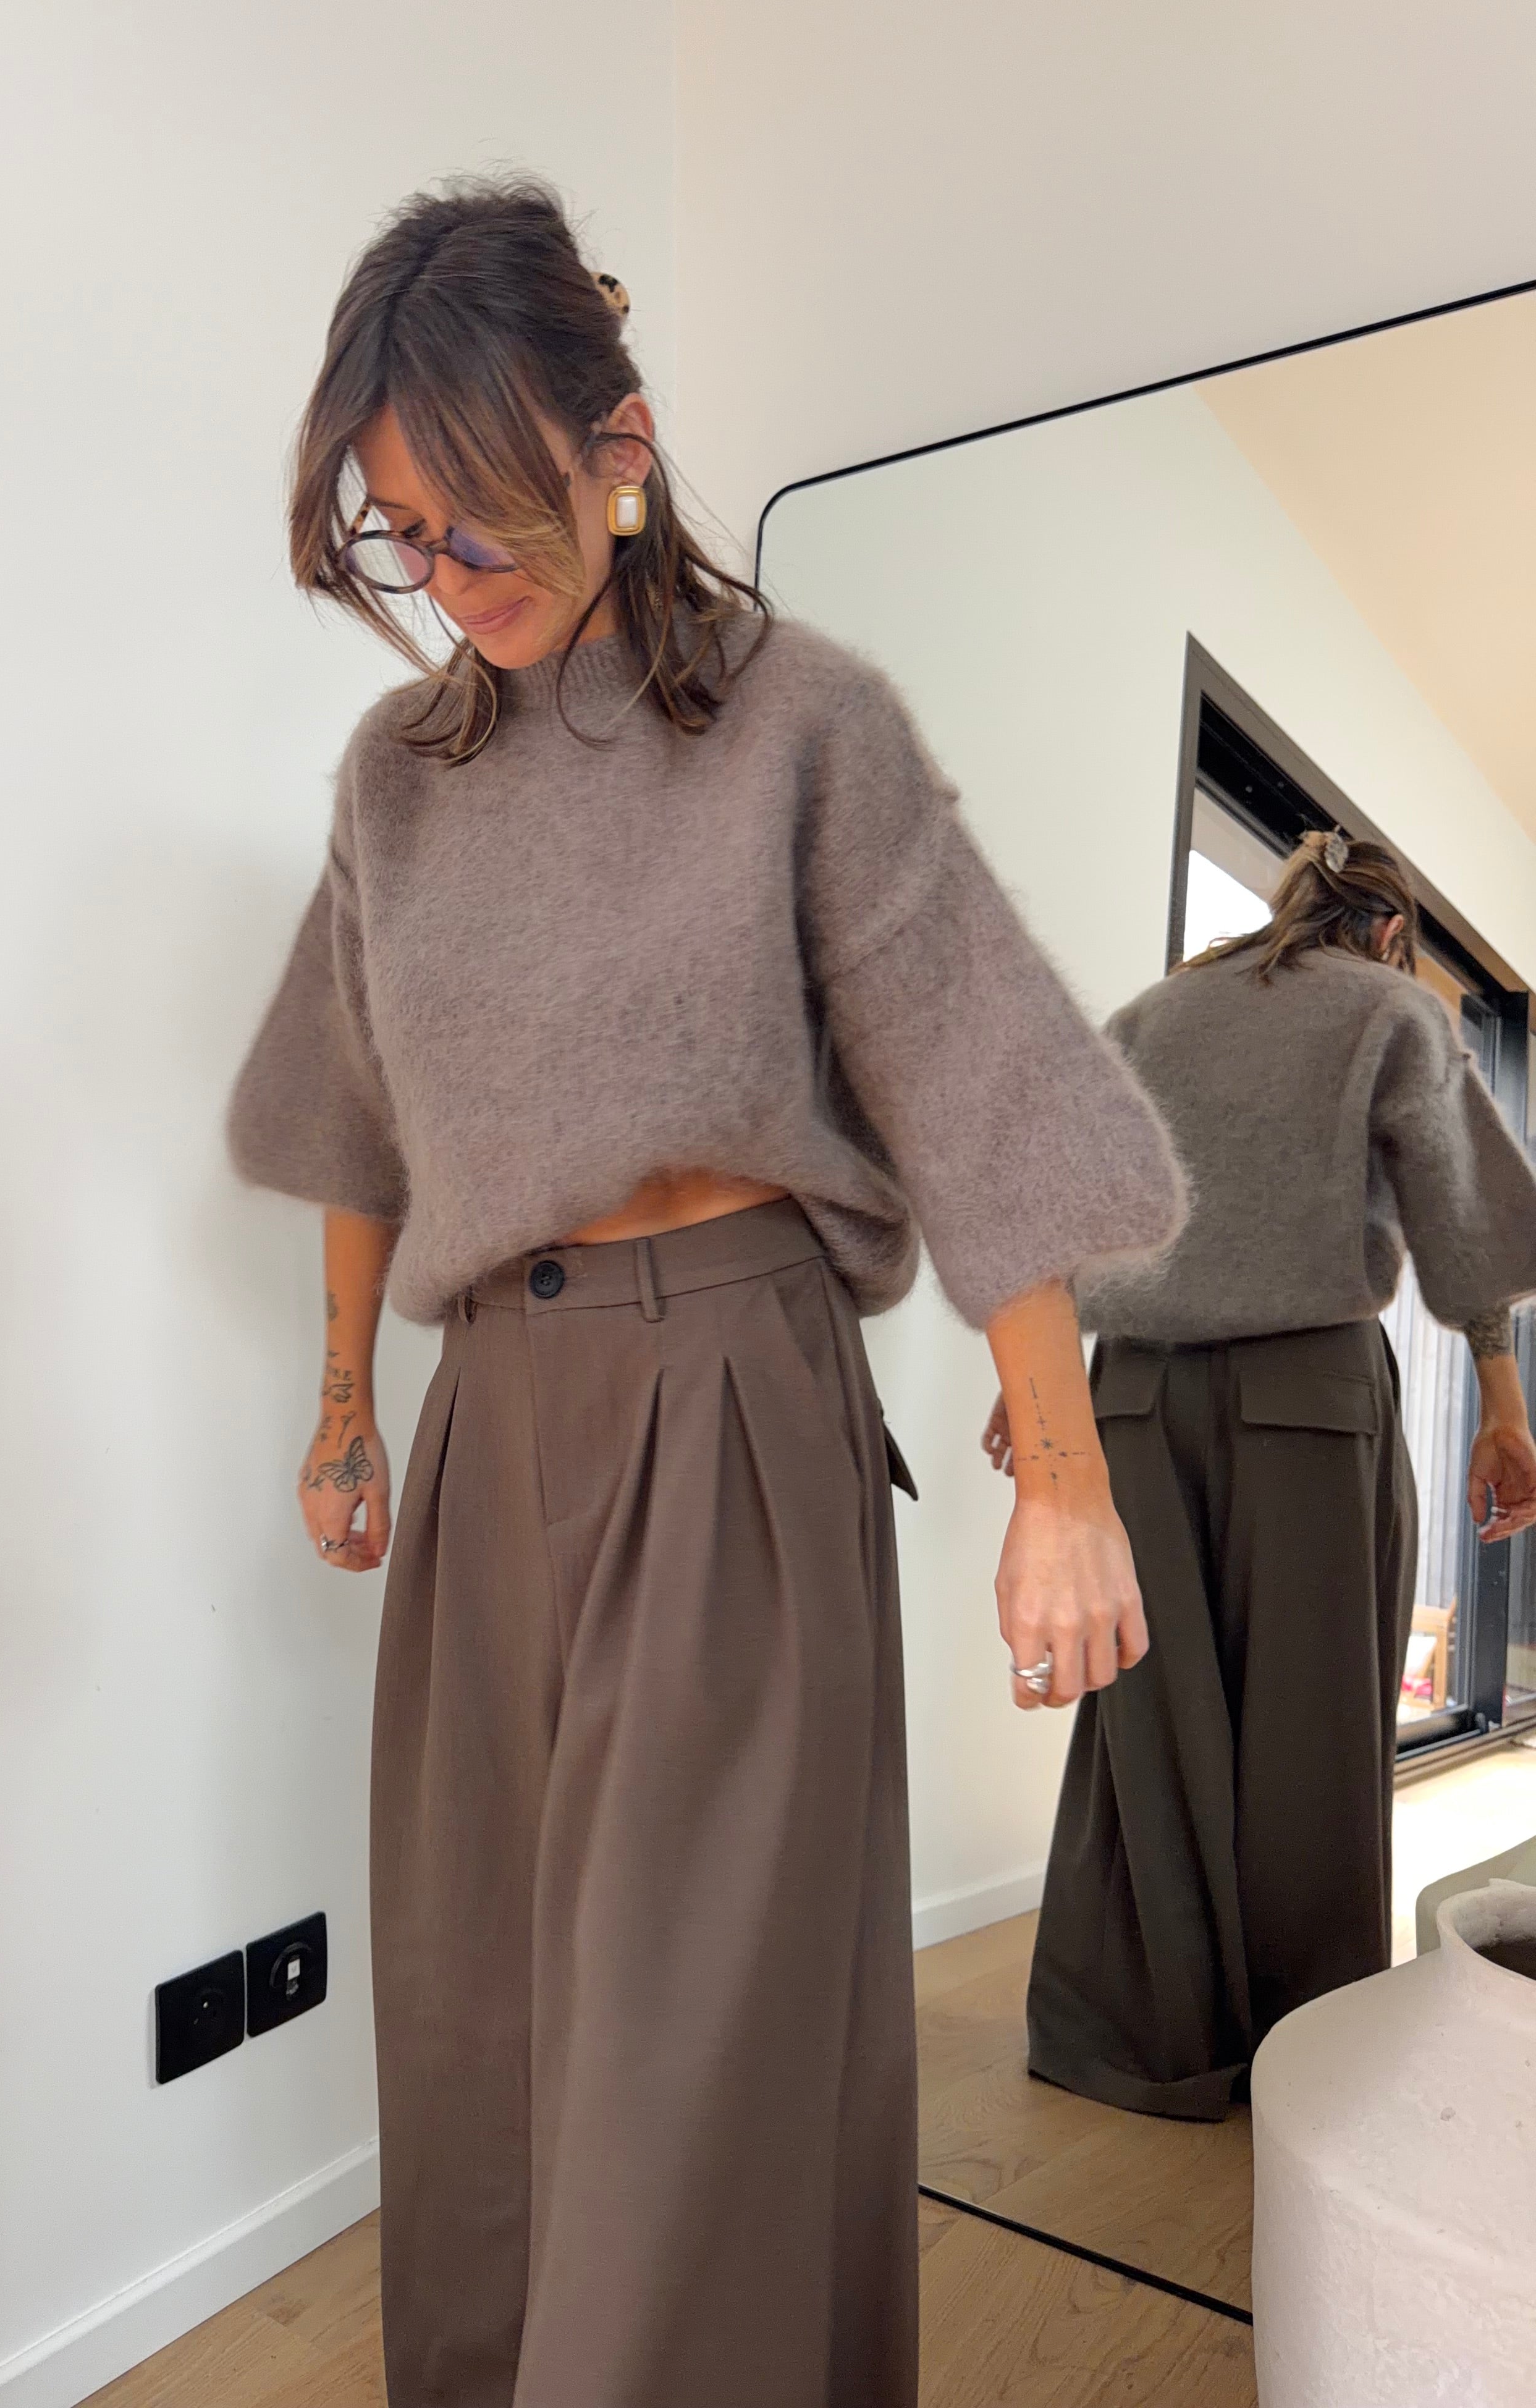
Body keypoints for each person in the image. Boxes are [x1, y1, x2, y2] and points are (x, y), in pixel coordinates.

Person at [229, 177, 1186, 2408]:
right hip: (492, 1428)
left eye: (483, 519)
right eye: (401, 538)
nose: (448, 582)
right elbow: (351, 1117)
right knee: (481, 2026)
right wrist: (348, 1403)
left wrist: (1063, 1477)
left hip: (732, 1402)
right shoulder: (397, 781)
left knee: (694, 2060)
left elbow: (981, 1085)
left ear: (621, 449)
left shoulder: (798, 725)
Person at [985, 832, 1536, 2122]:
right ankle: (1305, 2062)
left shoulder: (1151, 1016)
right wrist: (1505, 1408)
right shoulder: (1390, 1010)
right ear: (1390, 934)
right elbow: (1469, 1233)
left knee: (1145, 1723)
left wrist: (1039, 1393)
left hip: (1126, 1395)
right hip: (1308, 1395)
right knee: (1310, 1731)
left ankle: (1137, 2048)